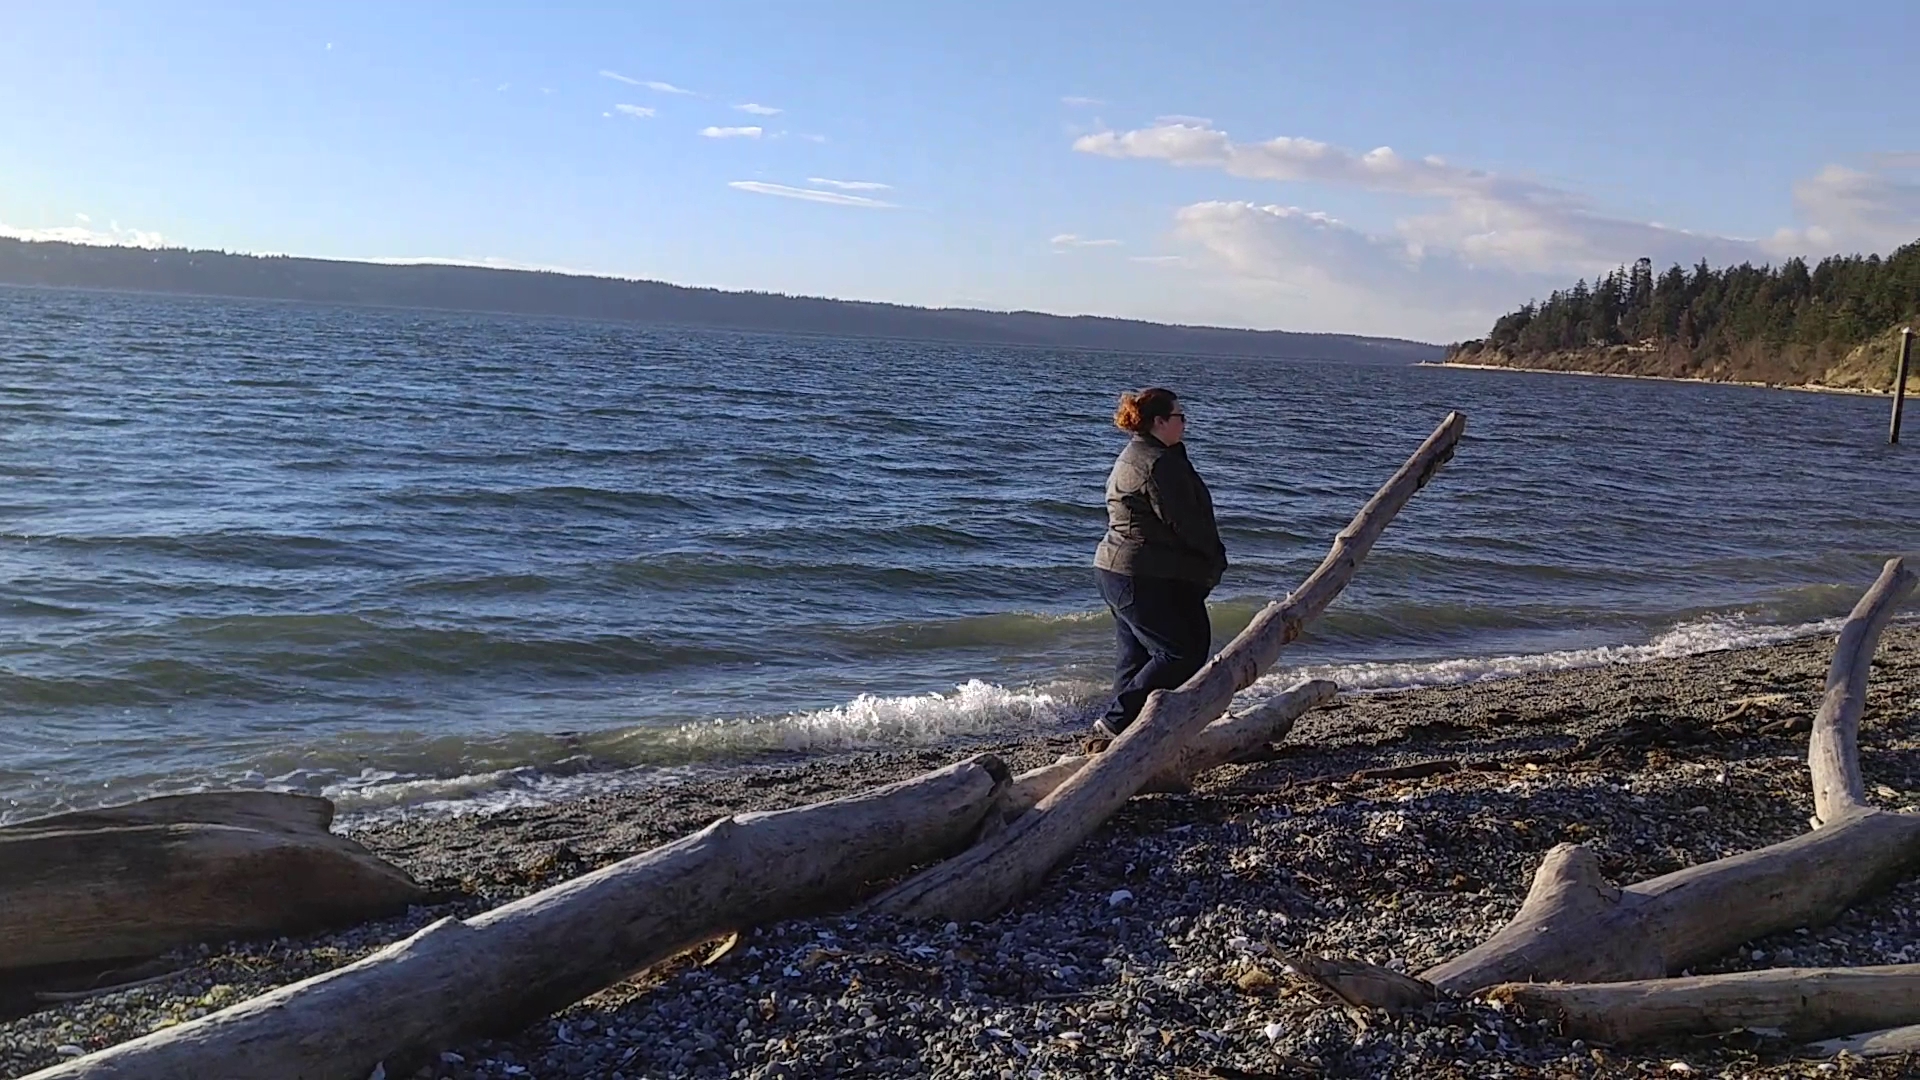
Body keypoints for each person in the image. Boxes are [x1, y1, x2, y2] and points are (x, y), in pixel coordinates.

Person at [1090, 386, 1228, 739]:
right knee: (1181, 651)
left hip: (1118, 570)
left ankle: (1124, 734)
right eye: (1180, 417)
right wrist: (1214, 558)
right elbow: (1185, 522)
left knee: (1135, 656)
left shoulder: (1139, 454)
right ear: (1160, 421)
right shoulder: (1158, 463)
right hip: (1139, 574)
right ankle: (1116, 722)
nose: (1185, 423)